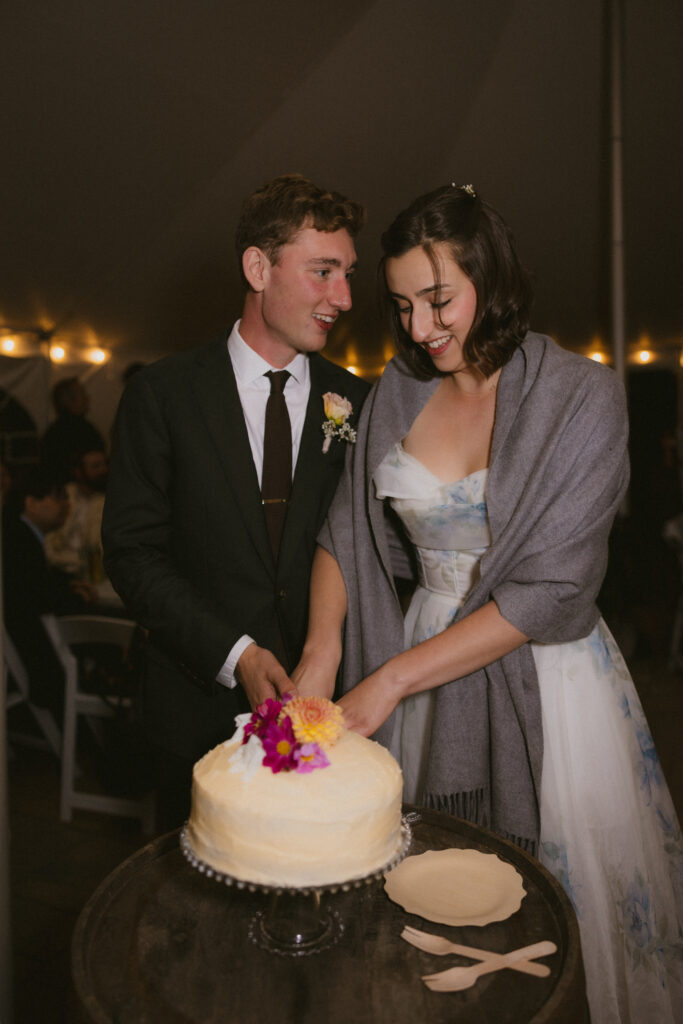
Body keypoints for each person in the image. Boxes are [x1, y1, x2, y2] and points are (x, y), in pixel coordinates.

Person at [292, 184, 683, 1023]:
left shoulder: (582, 396)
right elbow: (343, 533)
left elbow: (553, 588)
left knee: (548, 902)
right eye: (401, 306)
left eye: (439, 300)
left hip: (541, 667)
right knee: (431, 900)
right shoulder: (392, 392)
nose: (420, 328)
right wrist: (322, 653)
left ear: (489, 276)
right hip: (419, 642)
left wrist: (391, 681)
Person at [102, 173, 369, 827]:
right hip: (197, 713)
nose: (345, 297)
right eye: (323, 272)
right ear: (258, 267)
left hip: (325, 716)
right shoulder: (162, 396)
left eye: (347, 274)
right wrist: (237, 655)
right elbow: (133, 555)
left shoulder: (355, 399)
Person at [2, 465, 94, 721]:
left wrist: (68, 584)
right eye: (58, 496)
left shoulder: (18, 534)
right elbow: (34, 596)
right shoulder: (19, 540)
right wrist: (76, 596)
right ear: (31, 503)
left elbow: (39, 580)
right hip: (36, 655)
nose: (65, 504)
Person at [41, 376, 106, 484]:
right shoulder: (84, 430)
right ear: (70, 401)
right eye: (83, 394)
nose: (87, 398)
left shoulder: (52, 432)